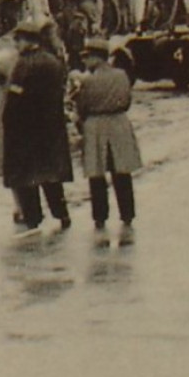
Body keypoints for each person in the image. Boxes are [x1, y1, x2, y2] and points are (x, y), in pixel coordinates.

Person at [0, 20, 74, 231]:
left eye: (18, 40)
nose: (16, 45)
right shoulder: (53, 61)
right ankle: (62, 214)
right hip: (50, 127)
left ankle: (33, 217)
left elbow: (14, 98)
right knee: (51, 175)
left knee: (26, 177)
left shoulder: (24, 64)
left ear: (27, 40)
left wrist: (8, 122)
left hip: (25, 128)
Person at [76, 38, 142, 240]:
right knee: (121, 171)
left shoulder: (87, 81)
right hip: (120, 123)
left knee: (97, 174)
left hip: (95, 125)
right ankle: (127, 214)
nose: (85, 62)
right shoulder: (122, 75)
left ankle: (100, 216)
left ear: (96, 58)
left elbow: (82, 106)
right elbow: (127, 101)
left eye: (87, 57)